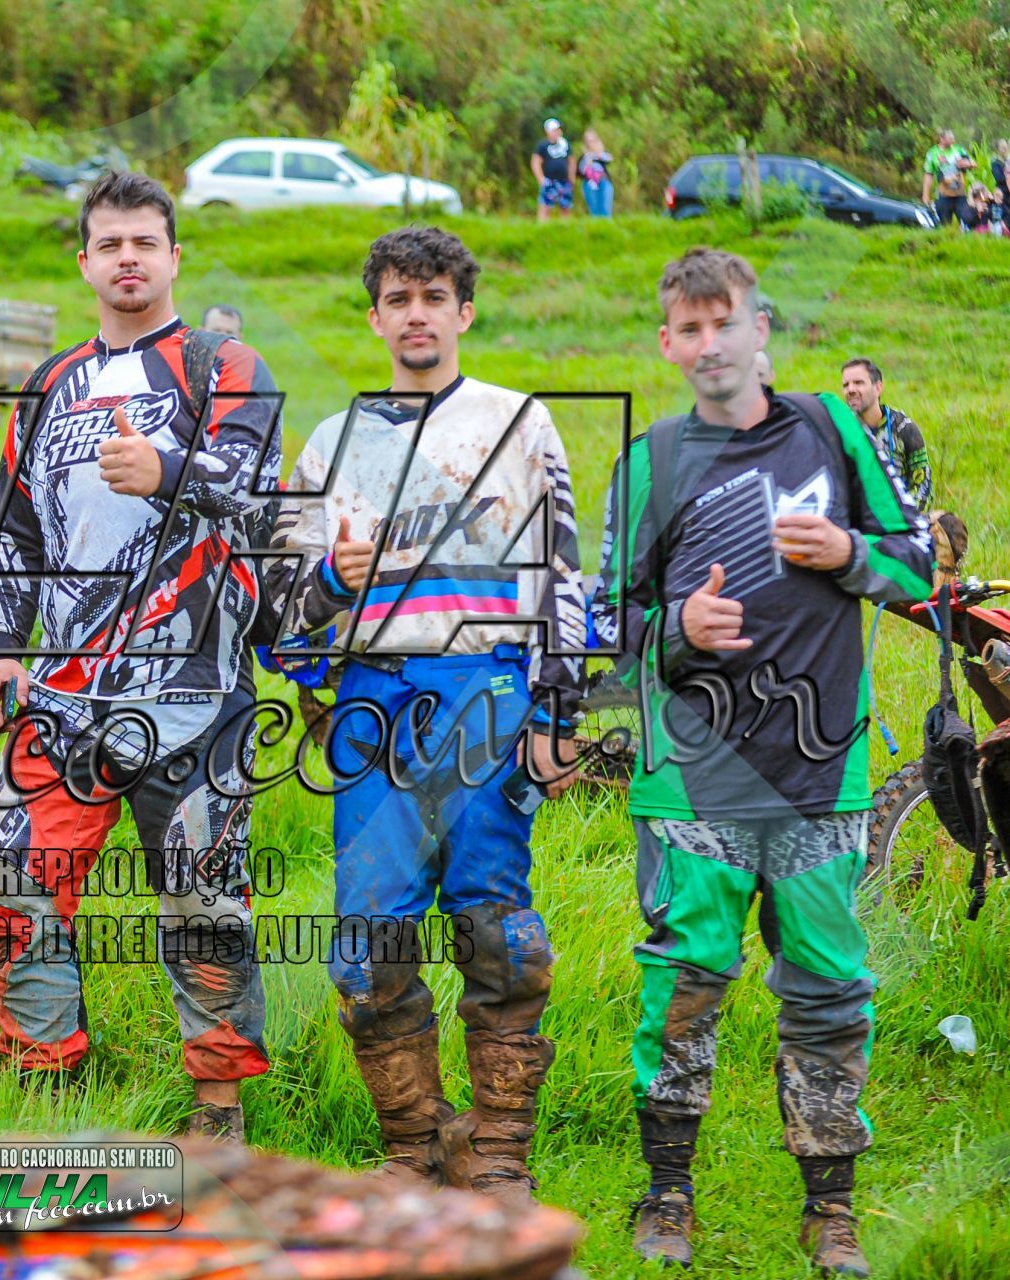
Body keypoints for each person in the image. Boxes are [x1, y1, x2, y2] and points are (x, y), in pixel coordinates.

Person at [596, 248, 931, 1272]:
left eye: (726, 322)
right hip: (691, 778)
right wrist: (678, 627)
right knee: (685, 984)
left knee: (827, 986)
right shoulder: (651, 460)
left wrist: (851, 555)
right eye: (690, 329)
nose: (711, 344)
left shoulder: (834, 430)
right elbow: (605, 622)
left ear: (760, 329)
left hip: (821, 772)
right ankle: (667, 1194)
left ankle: (831, 1207)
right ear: (668, 343)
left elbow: (918, 562)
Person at [264, 225, 584, 1206]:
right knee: (368, 939)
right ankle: (412, 1147)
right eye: (398, 299)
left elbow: (563, 573)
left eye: (433, 297)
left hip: (489, 688)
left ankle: (497, 1152)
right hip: (374, 697)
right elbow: (279, 618)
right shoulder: (331, 444)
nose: (416, 315)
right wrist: (330, 579)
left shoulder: (518, 423)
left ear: (463, 312)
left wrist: (559, 708)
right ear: (375, 317)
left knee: (495, 923)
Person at [0, 171, 280, 1141]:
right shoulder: (49, 385)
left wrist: (167, 471)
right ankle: (44, 1084)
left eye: (145, 241)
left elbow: (258, 488)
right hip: (65, 691)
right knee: (17, 870)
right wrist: (1, 647)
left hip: (196, 683)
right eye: (109, 244)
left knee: (202, 892)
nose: (128, 259)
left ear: (174, 255)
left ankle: (218, 1111)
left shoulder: (222, 364)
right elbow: (15, 530)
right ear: (85, 262)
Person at [840, 358, 932, 511]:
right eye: (846, 385)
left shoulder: (904, 429)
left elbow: (923, 485)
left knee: (947, 521)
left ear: (878, 388)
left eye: (858, 383)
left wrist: (907, 519)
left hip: (900, 516)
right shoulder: (840, 430)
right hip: (856, 518)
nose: (851, 390)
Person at [921, 129, 976, 227]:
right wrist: (925, 195)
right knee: (944, 224)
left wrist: (967, 164)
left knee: (966, 222)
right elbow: (928, 174)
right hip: (944, 194)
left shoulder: (958, 149)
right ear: (942, 139)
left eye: (953, 138)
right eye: (950, 138)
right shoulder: (933, 152)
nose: (953, 140)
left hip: (960, 193)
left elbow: (974, 163)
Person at [532, 118, 574, 221]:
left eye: (558, 129)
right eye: (554, 130)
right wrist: (541, 179)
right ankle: (543, 227)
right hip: (549, 181)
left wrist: (571, 178)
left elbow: (571, 162)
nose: (557, 132)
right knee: (545, 207)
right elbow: (535, 162)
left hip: (564, 181)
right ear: (548, 131)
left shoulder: (565, 144)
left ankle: (566, 227)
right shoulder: (542, 145)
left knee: (565, 206)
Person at [579, 128, 614, 218]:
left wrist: (598, 155)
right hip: (590, 183)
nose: (590, 143)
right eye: (588, 141)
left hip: (603, 181)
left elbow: (609, 159)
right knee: (594, 210)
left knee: (605, 208)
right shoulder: (584, 156)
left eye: (592, 140)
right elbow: (580, 171)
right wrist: (587, 163)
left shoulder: (603, 154)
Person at [993, 138, 1010, 205]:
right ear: (997, 150)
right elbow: (999, 178)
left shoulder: (1008, 161)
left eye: (1006, 147)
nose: (1005, 149)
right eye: (1003, 147)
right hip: (1003, 194)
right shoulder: (995, 163)